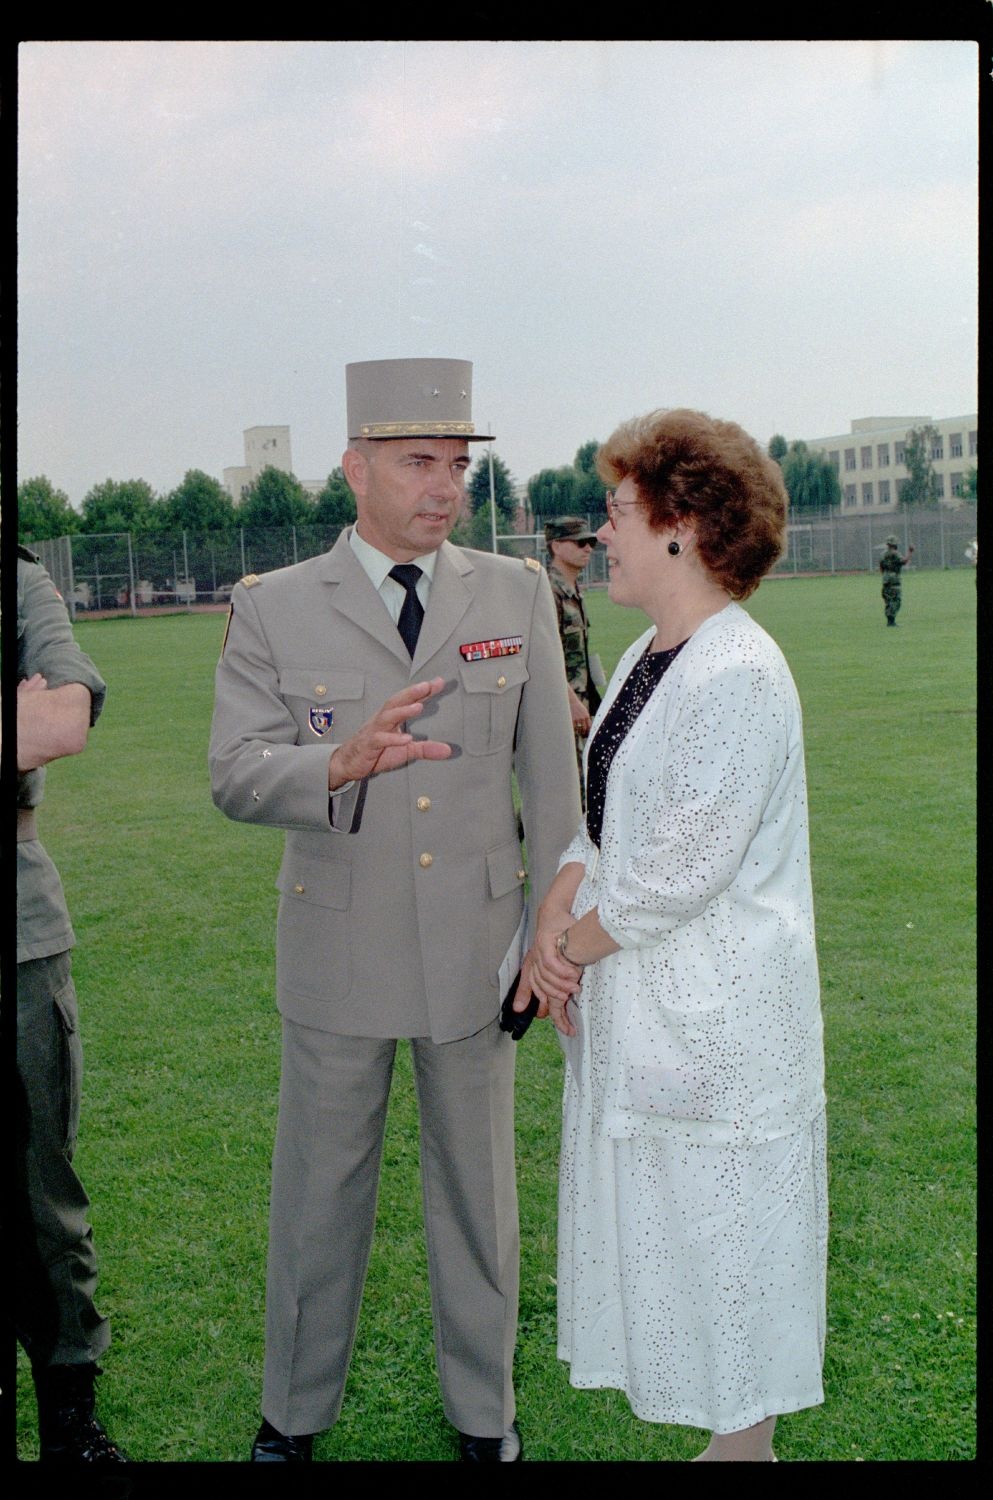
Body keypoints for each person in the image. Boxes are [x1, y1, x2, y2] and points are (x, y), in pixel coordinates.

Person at [209, 358, 579, 1463]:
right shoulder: (273, 606)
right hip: (340, 956)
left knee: (479, 1204)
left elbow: (552, 786)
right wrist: (333, 765)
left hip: (479, 950)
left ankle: (485, 1419)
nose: (444, 486)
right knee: (318, 1202)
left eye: (458, 465)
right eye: (418, 462)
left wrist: (550, 926)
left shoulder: (512, 592)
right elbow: (233, 771)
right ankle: (293, 1419)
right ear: (353, 467)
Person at [514, 408, 827, 1463]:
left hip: (720, 1028)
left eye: (615, 511)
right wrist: (557, 901)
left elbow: (676, 875)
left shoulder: (735, 672)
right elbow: (605, 821)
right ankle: (732, 1444)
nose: (602, 534)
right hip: (651, 1016)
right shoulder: (656, 652)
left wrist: (560, 952)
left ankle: (746, 1447)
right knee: (688, 1248)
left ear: (681, 522)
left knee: (730, 1242)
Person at [15, 546, 128, 1466]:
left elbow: (59, 717)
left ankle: (68, 1414)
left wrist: (34, 715)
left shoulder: (18, 582)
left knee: (38, 1194)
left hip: (15, 937)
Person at [545, 516, 604, 805]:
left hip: (580, 705)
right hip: (560, 709)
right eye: (580, 542)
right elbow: (544, 654)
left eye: (591, 542)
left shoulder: (573, 590)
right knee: (566, 795)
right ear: (556, 546)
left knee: (582, 789)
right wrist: (570, 702)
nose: (588, 548)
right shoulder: (547, 591)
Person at [879, 534, 914, 626]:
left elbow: (881, 567)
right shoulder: (895, 553)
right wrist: (910, 552)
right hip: (894, 580)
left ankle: (889, 621)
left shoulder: (882, 554)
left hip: (885, 579)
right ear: (894, 544)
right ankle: (892, 621)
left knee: (888, 600)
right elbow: (904, 561)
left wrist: (885, 576)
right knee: (896, 600)